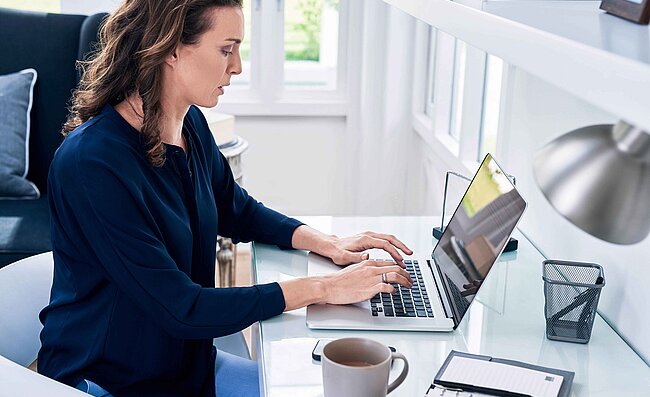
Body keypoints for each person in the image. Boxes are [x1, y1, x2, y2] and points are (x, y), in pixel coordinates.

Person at [37, 1, 414, 397]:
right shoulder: (92, 165)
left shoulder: (189, 123)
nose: (237, 67)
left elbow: (235, 208)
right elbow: (181, 308)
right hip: (110, 380)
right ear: (171, 48)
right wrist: (323, 288)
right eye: (226, 49)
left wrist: (326, 242)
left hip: (184, 369)